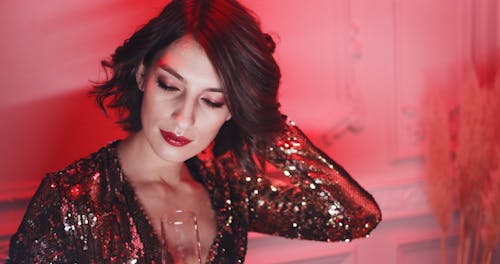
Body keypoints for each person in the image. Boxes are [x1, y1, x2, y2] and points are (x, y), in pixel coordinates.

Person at [7, 0, 382, 263]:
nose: (183, 118)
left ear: (232, 110)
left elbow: (354, 217)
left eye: (213, 101)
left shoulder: (227, 190)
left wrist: (267, 126)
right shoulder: (71, 199)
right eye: (170, 86)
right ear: (142, 75)